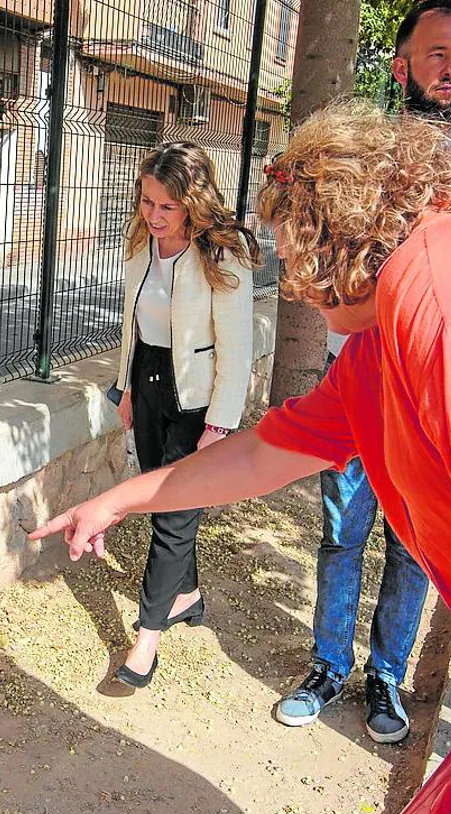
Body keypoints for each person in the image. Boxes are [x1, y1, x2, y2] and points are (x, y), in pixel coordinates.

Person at [29, 100, 451, 793]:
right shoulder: (393, 326)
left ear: (331, 233)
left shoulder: (443, 301)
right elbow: (261, 456)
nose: (297, 288)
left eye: (292, 251)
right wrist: (115, 500)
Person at [275, 0, 451, 745]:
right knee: (339, 533)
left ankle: (385, 676)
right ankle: (328, 665)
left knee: (415, 546)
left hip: (436, 389)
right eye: (435, 57)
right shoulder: (368, 149)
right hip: (360, 372)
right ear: (402, 66)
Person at [105, 142, 259, 689]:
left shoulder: (222, 253)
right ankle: (187, 595)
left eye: (167, 206)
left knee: (173, 513)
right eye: (147, 201)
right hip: (147, 380)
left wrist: (220, 424)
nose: (153, 215)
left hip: (195, 397)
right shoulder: (140, 244)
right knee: (163, 499)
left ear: (193, 202)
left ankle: (145, 639)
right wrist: (124, 387)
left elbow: (236, 349)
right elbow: (132, 323)